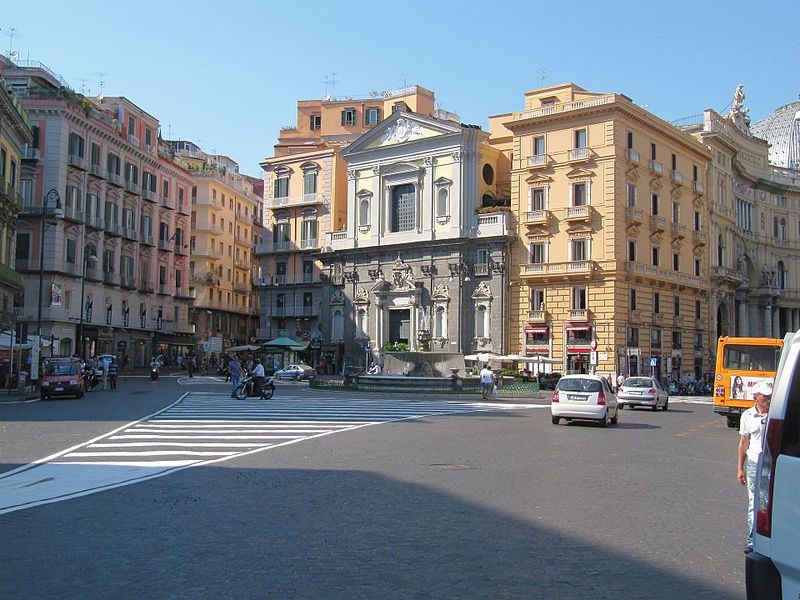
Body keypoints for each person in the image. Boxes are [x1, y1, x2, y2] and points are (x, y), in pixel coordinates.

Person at [737, 380, 773, 554]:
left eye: (769, 396)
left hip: (771, 463)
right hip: (753, 463)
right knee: (754, 502)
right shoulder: (747, 416)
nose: (768, 398)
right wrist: (740, 468)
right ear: (755, 398)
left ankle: (768, 539)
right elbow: (743, 443)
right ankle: (752, 540)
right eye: (764, 396)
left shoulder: (775, 414)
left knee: (768, 501)